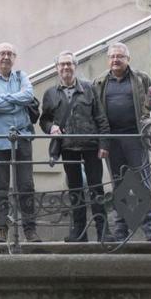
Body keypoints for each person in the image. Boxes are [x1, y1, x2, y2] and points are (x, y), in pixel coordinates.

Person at [39, 51, 110, 242]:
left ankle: (104, 231)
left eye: (69, 64)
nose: (65, 68)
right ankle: (79, 233)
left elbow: (101, 118)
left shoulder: (89, 88)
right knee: (75, 190)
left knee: (97, 189)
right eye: (61, 64)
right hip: (67, 147)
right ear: (56, 69)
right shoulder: (50, 93)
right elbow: (44, 120)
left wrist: (104, 144)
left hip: (91, 146)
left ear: (75, 66)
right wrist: (51, 127)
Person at [0, 42, 41, 243]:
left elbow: (28, 96)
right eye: (1, 53)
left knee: (26, 185)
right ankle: (1, 229)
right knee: (1, 185)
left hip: (22, 137)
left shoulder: (21, 76)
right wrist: (17, 102)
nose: (6, 57)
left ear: (14, 57)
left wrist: (4, 99)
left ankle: (30, 229)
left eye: (10, 54)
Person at [93, 42, 151, 241]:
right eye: (112, 57)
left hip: (136, 138)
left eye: (120, 56)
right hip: (113, 140)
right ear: (108, 59)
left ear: (128, 59)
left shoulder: (141, 78)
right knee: (118, 184)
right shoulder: (100, 82)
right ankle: (121, 229)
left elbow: (150, 106)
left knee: (141, 182)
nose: (116, 60)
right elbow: (97, 113)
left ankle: (149, 228)